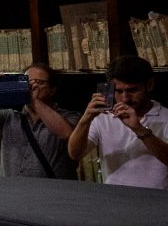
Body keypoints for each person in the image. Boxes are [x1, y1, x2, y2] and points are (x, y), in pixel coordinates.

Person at [0, 65, 78, 178]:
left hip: (53, 195)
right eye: (27, 82)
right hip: (12, 194)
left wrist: (34, 101)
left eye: (38, 82)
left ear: (52, 90)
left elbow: (66, 133)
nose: (31, 86)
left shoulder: (68, 116)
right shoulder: (8, 117)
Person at [67, 56, 168, 188]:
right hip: (114, 198)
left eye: (132, 90)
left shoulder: (165, 116)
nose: (125, 98)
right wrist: (85, 120)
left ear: (149, 85)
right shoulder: (103, 118)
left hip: (156, 199)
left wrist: (139, 129)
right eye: (118, 91)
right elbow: (75, 154)